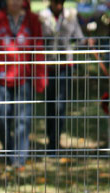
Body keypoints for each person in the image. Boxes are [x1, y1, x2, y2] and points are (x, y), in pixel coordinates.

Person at [0, 0, 46, 169]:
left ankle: (19, 158)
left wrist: (40, 76)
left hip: (24, 77)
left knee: (23, 119)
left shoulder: (32, 20)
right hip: (1, 78)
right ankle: (8, 152)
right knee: (1, 116)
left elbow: (38, 47)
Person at [38, 0, 84, 152]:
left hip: (65, 67)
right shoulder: (42, 17)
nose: (58, 5)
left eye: (60, 2)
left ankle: (55, 141)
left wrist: (82, 45)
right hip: (48, 67)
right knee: (50, 103)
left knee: (60, 104)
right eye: (55, 2)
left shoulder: (70, 17)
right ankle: (51, 137)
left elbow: (79, 38)